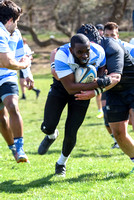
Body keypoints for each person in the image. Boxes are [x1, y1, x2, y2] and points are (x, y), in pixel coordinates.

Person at [38, 33, 108, 176]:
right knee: (47, 126)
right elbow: (70, 87)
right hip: (61, 87)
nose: (84, 56)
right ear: (71, 50)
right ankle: (51, 135)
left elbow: (102, 68)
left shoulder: (98, 52)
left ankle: (61, 163)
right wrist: (97, 83)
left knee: (71, 131)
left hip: (82, 93)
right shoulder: (62, 55)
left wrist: (100, 76)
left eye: (86, 51)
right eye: (80, 52)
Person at [75, 23, 134, 173]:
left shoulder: (111, 47)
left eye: (87, 48)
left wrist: (94, 92)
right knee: (118, 133)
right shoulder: (80, 51)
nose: (85, 53)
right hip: (114, 92)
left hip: (131, 85)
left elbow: (115, 77)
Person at [0, 0, 34, 163]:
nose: (17, 24)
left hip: (7, 77)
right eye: (17, 21)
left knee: (13, 106)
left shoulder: (16, 34)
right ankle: (13, 149)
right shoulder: (0, 33)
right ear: (10, 20)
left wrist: (27, 74)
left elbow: (21, 56)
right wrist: (24, 64)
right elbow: (8, 62)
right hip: (9, 69)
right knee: (1, 119)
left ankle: (20, 149)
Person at [102, 21, 134, 149]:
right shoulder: (101, 51)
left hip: (132, 88)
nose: (110, 38)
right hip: (113, 91)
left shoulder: (130, 49)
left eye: (113, 35)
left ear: (118, 36)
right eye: (107, 35)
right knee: (118, 133)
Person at [95, 24, 105, 119]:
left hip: (105, 68)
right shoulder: (93, 42)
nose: (99, 31)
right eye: (97, 29)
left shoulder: (105, 41)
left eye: (101, 29)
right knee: (98, 91)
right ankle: (100, 110)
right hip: (97, 69)